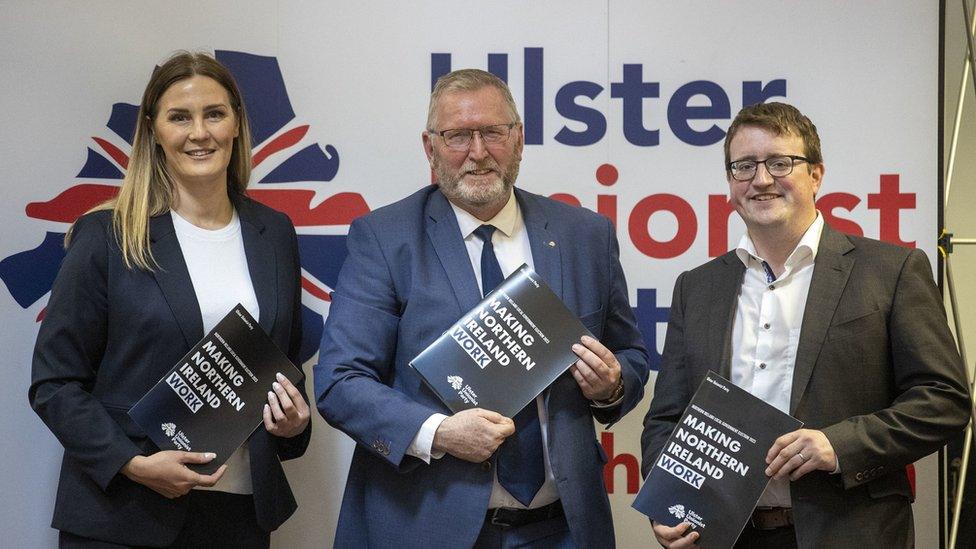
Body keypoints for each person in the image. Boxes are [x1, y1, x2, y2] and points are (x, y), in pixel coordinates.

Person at [315, 68, 649, 548]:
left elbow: (630, 355)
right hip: (428, 526)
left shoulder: (585, 235)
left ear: (518, 139)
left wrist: (611, 385)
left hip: (566, 529)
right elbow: (340, 382)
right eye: (457, 136)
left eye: (493, 132)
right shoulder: (385, 239)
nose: (478, 152)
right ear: (430, 148)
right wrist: (439, 433)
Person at [641, 102, 971, 548]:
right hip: (725, 536)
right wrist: (667, 502)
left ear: (816, 174)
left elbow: (944, 402)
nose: (760, 180)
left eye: (780, 163)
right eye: (744, 166)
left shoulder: (891, 270)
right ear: (730, 184)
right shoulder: (697, 288)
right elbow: (666, 419)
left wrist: (840, 445)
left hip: (851, 532)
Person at [29, 52, 311, 548]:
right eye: (179, 117)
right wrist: (132, 464)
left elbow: (280, 367)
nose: (199, 133)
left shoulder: (275, 235)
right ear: (154, 131)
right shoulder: (109, 235)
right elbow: (55, 383)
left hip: (238, 515)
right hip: (123, 517)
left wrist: (293, 421)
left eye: (214, 114)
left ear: (237, 125)